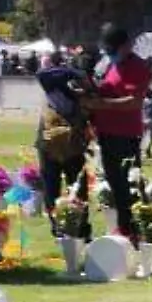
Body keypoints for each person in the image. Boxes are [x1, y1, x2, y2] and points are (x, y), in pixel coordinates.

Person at [86, 23, 151, 240]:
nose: (111, 54)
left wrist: (100, 104)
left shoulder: (138, 67)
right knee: (115, 185)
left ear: (127, 45)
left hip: (126, 135)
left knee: (129, 185)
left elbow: (133, 103)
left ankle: (135, 229)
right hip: (106, 133)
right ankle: (125, 228)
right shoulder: (108, 65)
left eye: (114, 49)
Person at [36, 53, 93, 242]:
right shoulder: (54, 87)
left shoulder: (87, 94)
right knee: (51, 188)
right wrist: (75, 73)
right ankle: (57, 227)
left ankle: (81, 226)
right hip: (49, 145)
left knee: (78, 188)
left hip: (74, 147)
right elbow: (42, 74)